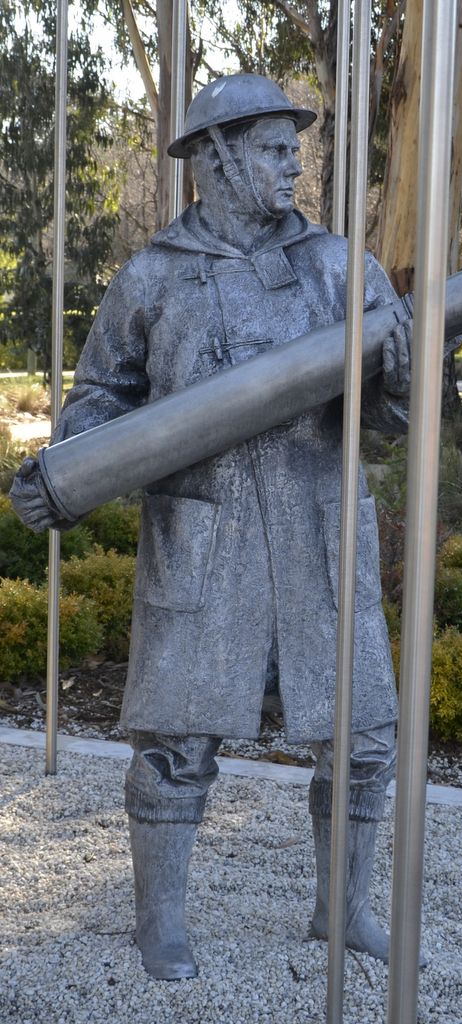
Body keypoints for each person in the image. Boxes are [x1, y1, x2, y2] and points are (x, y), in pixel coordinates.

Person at [11, 74, 412, 980]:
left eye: (292, 149)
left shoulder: (340, 269)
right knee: (174, 748)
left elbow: (384, 427)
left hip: (318, 532)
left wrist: (398, 379)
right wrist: (68, 467)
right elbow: (99, 400)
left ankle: (339, 910)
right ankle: (162, 922)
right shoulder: (152, 278)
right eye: (274, 149)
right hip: (204, 538)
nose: (293, 167)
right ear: (217, 156)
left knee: (363, 740)